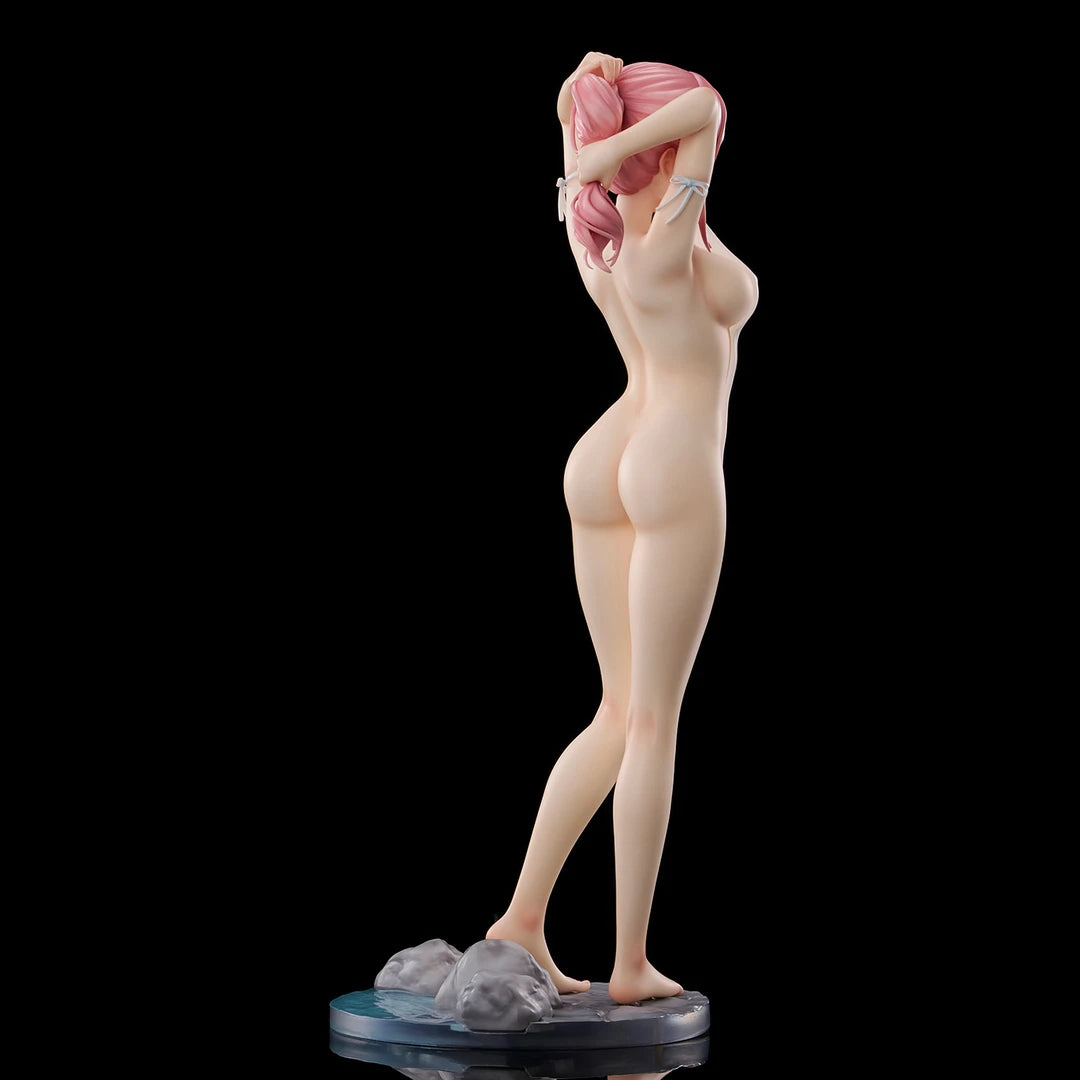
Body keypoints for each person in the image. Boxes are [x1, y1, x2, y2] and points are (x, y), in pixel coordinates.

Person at [487, 52, 758, 1006]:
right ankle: (632, 965)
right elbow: (705, 108)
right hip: (671, 459)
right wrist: (608, 146)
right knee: (650, 721)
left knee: (613, 710)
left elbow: (599, 124)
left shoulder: (594, 231)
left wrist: (582, 114)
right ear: (659, 149)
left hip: (604, 456)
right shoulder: (668, 233)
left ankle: (522, 918)